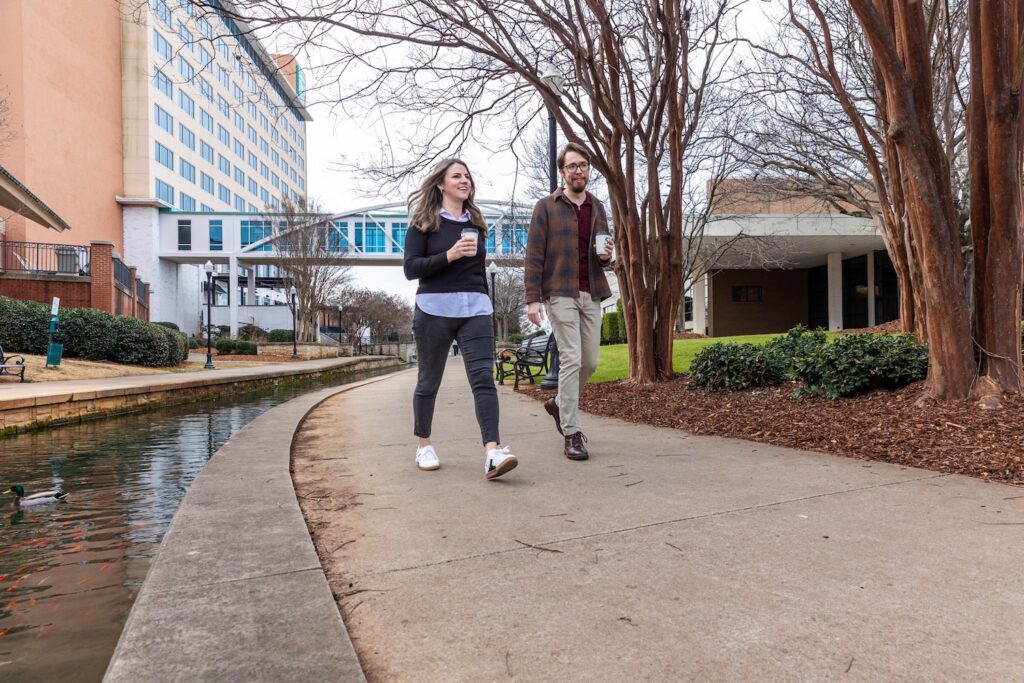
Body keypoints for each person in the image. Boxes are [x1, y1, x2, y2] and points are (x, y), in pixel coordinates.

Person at [403, 158, 519, 480]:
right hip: (434, 310)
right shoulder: (423, 224)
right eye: (457, 176)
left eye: (467, 175)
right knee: (428, 381)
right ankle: (424, 445)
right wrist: (449, 255)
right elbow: (411, 269)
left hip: (476, 309)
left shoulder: (477, 223)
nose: (464, 180)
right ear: (441, 184)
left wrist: (485, 298)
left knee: (483, 379)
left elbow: (478, 270)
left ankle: (492, 453)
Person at [525, 143, 614, 460]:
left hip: (592, 291)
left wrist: (606, 256)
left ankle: (559, 403)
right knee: (572, 358)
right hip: (560, 292)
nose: (579, 170)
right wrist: (533, 300)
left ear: (588, 170)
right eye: (572, 165)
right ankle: (572, 434)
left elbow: (602, 254)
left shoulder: (598, 207)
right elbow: (534, 255)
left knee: (590, 361)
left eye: (583, 165)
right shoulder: (546, 207)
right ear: (562, 171)